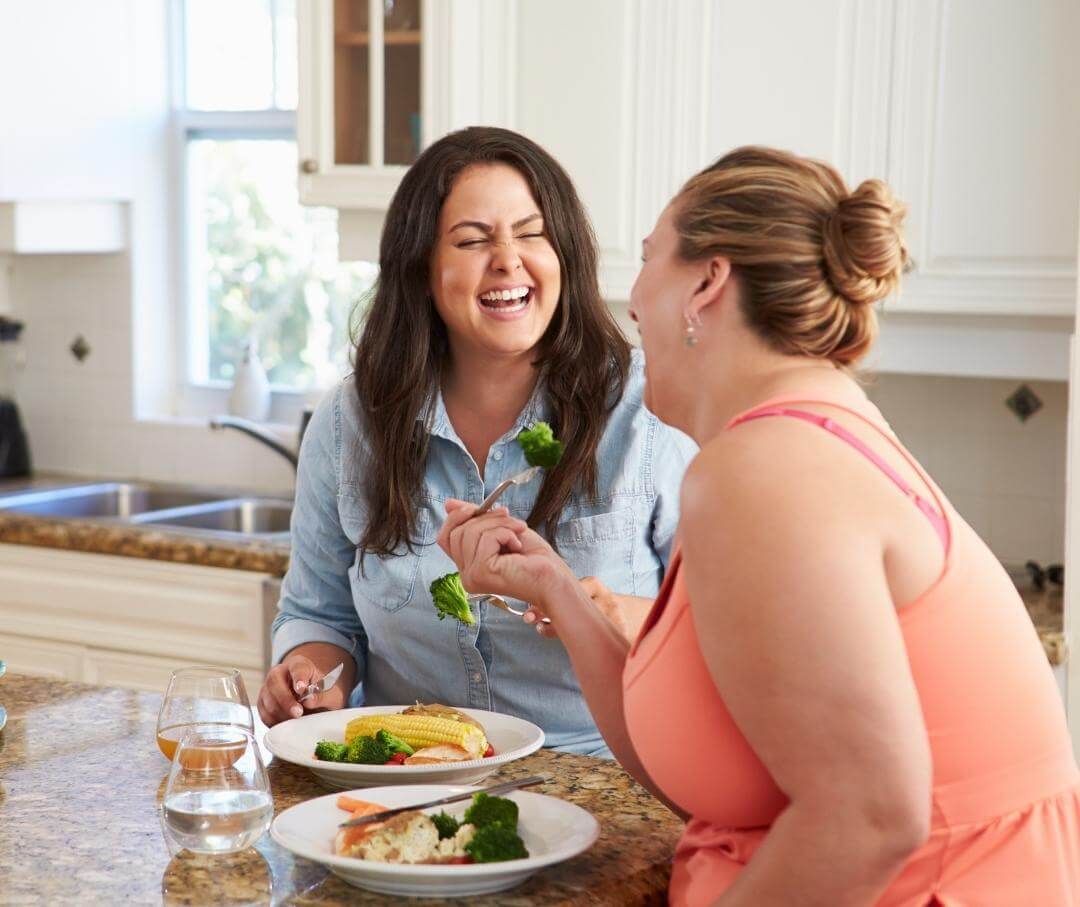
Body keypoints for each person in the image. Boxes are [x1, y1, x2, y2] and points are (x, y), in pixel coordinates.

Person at [438, 146, 1080, 903]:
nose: (632, 296)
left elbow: (871, 817)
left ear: (706, 283)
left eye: (649, 258)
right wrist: (556, 588)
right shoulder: (793, 438)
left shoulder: (763, 469)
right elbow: (718, 772)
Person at [257, 126, 696, 757]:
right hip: (409, 778)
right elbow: (321, 614)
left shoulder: (649, 412)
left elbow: (715, 633)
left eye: (531, 233)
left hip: (605, 776)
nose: (509, 260)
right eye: (472, 240)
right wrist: (308, 675)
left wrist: (587, 607)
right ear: (423, 271)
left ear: (564, 253)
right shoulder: (350, 421)